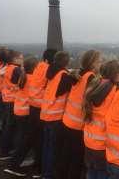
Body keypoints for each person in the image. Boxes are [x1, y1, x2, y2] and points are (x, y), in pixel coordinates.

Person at [58, 50, 102, 179]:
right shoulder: (91, 77)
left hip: (67, 120)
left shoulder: (77, 74)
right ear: (93, 63)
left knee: (66, 156)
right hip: (78, 125)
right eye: (99, 61)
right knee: (76, 160)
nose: (101, 63)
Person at [84, 60, 119, 179]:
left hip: (89, 140)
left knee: (91, 172)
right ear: (116, 74)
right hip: (102, 144)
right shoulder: (115, 90)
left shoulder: (95, 84)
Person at [4, 57, 39, 177]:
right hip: (26, 112)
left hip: (18, 109)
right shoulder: (33, 79)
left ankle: (16, 161)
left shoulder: (23, 77)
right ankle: (15, 164)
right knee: (25, 139)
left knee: (24, 137)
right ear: (35, 68)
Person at [40, 51, 71, 179]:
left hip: (46, 114)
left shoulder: (51, 72)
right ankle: (48, 175)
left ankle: (44, 172)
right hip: (56, 117)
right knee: (53, 148)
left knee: (46, 146)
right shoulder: (63, 75)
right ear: (66, 62)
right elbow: (69, 87)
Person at [28, 49, 57, 178]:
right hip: (42, 108)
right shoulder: (48, 69)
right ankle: (41, 169)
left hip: (32, 105)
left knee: (38, 139)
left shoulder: (39, 66)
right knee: (43, 141)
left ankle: (38, 166)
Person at [0, 50, 24, 160]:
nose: (22, 59)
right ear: (14, 59)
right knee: (12, 127)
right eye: (20, 57)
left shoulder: (8, 68)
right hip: (13, 100)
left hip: (7, 99)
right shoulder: (17, 69)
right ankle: (9, 152)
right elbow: (24, 82)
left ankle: (4, 150)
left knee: (8, 126)